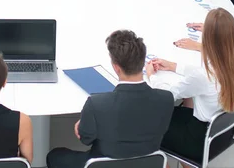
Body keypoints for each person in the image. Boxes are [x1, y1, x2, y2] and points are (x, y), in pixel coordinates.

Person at [46, 30, 174, 168]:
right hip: (146, 163)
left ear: (116, 67)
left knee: (55, 155)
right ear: (143, 61)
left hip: (102, 163)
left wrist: (84, 124)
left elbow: (85, 138)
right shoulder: (166, 99)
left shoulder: (97, 104)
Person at [147, 8, 234, 165]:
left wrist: (151, 76)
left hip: (199, 139)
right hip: (224, 130)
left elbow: (167, 95)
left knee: (147, 125)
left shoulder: (204, 76)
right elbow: (202, 75)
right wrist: (174, 66)